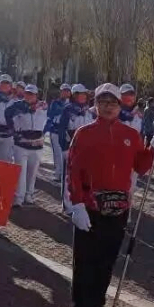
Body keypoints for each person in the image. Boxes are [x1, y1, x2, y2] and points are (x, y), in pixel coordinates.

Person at [66, 83, 154, 307]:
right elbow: (73, 171)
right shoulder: (84, 134)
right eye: (103, 102)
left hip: (118, 209)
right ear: (95, 105)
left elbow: (141, 166)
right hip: (90, 207)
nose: (108, 107)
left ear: (120, 106)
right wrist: (76, 204)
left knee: (106, 261)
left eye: (113, 103)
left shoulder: (129, 135)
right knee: (84, 261)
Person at [6, 84, 48, 207]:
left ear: (36, 95)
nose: (29, 96)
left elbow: (50, 119)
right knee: (21, 173)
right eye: (27, 93)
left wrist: (44, 132)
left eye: (32, 94)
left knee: (32, 173)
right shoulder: (17, 105)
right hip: (21, 144)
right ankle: (18, 198)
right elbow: (7, 113)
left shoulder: (43, 106)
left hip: (37, 145)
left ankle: (29, 195)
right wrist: (13, 130)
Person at [59, 84, 92, 213]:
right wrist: (64, 148)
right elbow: (62, 130)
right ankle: (67, 205)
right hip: (71, 147)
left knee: (82, 178)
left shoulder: (89, 111)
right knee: (68, 178)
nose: (83, 96)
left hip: (85, 150)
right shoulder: (67, 110)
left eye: (84, 94)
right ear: (74, 95)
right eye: (80, 94)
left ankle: (80, 203)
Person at [46, 83, 72, 182]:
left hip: (67, 131)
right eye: (64, 91)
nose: (65, 93)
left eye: (67, 91)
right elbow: (50, 115)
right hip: (55, 130)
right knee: (57, 153)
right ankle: (58, 173)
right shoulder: (55, 103)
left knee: (67, 153)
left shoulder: (72, 104)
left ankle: (66, 174)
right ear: (60, 92)